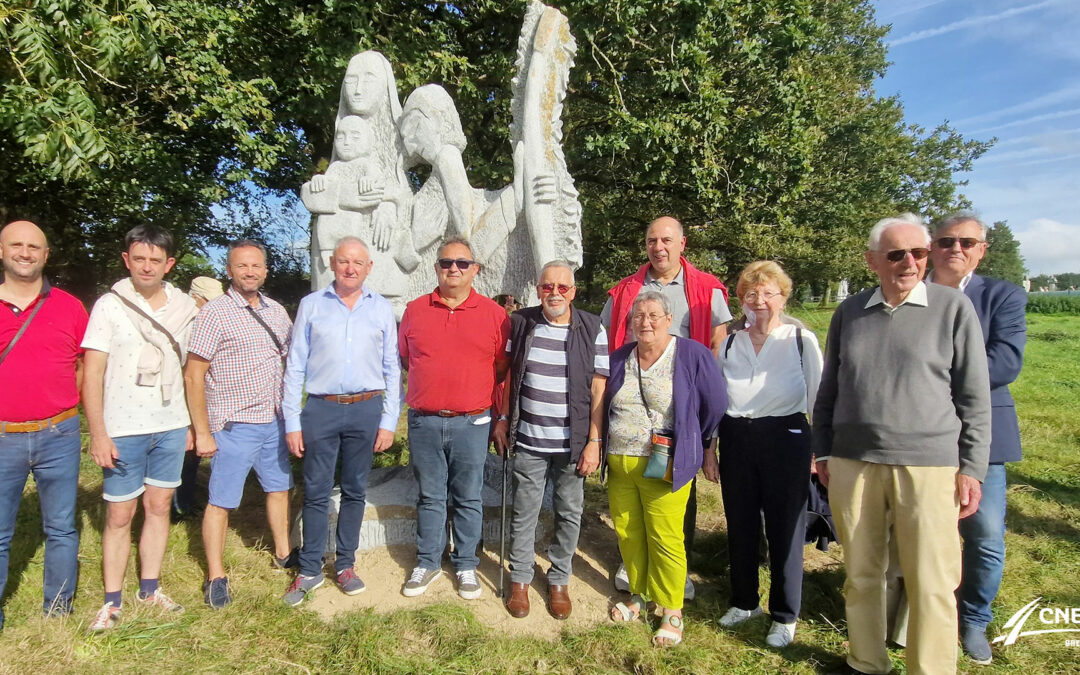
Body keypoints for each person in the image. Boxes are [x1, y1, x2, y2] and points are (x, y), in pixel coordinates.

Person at [813, 213, 991, 675]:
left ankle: (929, 669)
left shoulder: (953, 308)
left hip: (929, 465)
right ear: (873, 260)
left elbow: (973, 395)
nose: (909, 262)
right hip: (854, 462)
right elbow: (829, 389)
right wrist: (824, 449)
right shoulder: (849, 312)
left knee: (932, 580)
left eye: (918, 252)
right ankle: (866, 661)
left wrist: (972, 466)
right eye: (896, 254)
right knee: (861, 574)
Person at [601, 215, 731, 598]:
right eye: (652, 240)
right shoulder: (625, 290)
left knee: (676, 494)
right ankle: (634, 565)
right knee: (633, 502)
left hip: (682, 407)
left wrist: (706, 429)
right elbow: (607, 344)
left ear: (682, 244)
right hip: (634, 403)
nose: (659, 247)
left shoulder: (706, 289)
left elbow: (717, 350)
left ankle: (677, 569)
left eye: (667, 240)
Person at [81, 226, 199, 631]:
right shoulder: (109, 306)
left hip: (170, 424)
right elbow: (92, 372)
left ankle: (149, 589)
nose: (147, 266)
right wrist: (98, 432)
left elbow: (191, 372)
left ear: (169, 264)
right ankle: (111, 601)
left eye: (156, 260)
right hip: (123, 427)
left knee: (159, 507)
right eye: (139, 258)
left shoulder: (185, 309)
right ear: (126, 259)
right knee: (119, 515)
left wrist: (192, 425)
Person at [704, 261, 822, 648]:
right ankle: (744, 602)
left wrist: (820, 452)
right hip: (738, 437)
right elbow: (717, 400)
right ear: (741, 300)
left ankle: (785, 614)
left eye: (768, 293)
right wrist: (711, 448)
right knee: (740, 523)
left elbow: (820, 399)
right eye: (751, 294)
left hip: (785, 436)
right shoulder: (731, 343)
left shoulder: (801, 340)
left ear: (783, 297)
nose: (759, 301)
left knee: (785, 528)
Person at [280, 237, 401, 606]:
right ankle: (310, 568)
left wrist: (389, 419)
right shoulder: (312, 305)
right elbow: (295, 364)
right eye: (344, 261)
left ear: (369, 268)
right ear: (333, 264)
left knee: (354, 490)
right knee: (316, 491)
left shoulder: (381, 309)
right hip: (321, 408)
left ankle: (345, 564)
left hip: (366, 408)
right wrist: (291, 421)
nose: (350, 268)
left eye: (358, 263)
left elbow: (391, 367)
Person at [929, 211, 1027, 664]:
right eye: (947, 241)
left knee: (984, 532)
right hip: (920, 433)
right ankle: (922, 614)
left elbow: (1005, 362)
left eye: (967, 242)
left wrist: (929, 373)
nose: (956, 250)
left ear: (981, 249)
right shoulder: (911, 291)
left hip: (980, 435)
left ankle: (973, 619)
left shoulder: (1001, 296)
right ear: (932, 246)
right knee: (921, 531)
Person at [605, 291, 726, 647]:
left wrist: (699, 443)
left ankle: (672, 608)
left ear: (669, 320)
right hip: (620, 462)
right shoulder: (618, 359)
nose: (646, 323)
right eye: (639, 317)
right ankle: (639, 595)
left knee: (666, 536)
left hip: (665, 464)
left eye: (654, 315)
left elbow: (715, 404)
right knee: (628, 532)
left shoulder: (691, 354)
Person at [184, 239, 296, 609]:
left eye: (256, 266)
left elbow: (292, 360)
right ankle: (216, 575)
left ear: (265, 271)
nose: (250, 272)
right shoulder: (214, 312)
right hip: (233, 424)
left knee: (279, 489)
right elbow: (194, 374)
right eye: (242, 266)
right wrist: (201, 430)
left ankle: (283, 553)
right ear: (229, 270)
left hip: (273, 420)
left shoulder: (278, 312)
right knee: (221, 502)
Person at [397, 236, 510, 600]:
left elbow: (501, 367)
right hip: (425, 420)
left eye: (462, 263)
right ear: (436, 268)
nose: (454, 270)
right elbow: (405, 359)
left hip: (472, 422)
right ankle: (428, 561)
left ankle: (465, 564)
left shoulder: (494, 314)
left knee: (468, 496)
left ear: (475, 269)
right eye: (447, 263)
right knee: (430, 495)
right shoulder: (415, 310)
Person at [493, 261, 608, 620]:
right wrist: (501, 418)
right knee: (524, 511)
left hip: (572, 443)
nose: (554, 293)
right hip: (528, 438)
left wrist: (594, 440)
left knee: (569, 512)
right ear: (538, 289)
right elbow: (506, 374)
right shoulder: (522, 322)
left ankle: (559, 579)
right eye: (547, 287)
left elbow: (598, 388)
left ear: (573, 291)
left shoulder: (592, 327)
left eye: (562, 287)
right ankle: (521, 580)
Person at [0, 220, 88, 632]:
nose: (25, 252)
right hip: (3, 436)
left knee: (61, 528)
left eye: (34, 246)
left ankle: (58, 608)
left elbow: (87, 363)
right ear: (2, 251)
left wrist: (76, 411)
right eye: (16, 245)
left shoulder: (69, 306)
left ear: (46, 254)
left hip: (60, 433)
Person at [171, 276, 225, 521]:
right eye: (207, 301)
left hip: (196, 396)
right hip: (180, 397)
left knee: (191, 455)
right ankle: (176, 506)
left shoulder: (203, 320)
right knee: (182, 453)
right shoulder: (185, 323)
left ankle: (186, 501)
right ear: (195, 297)